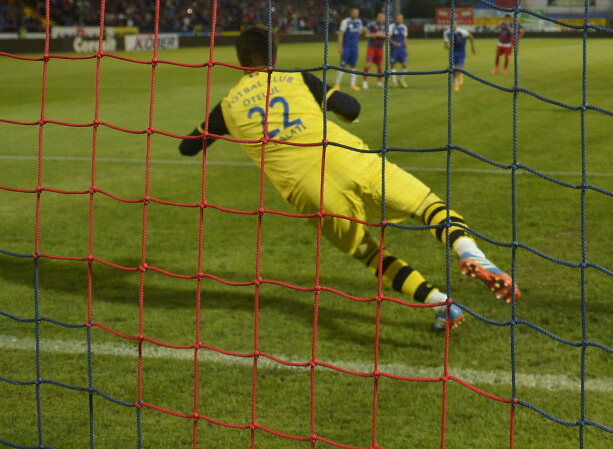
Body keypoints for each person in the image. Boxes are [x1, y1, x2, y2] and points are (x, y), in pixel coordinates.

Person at [177, 25, 518, 332]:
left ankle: (441, 303)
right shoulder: (297, 78)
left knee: (370, 253)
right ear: (275, 55)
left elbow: (188, 148)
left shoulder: (227, 106)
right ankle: (468, 251)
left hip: (307, 190)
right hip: (348, 157)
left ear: (238, 60)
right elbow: (351, 107)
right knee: (429, 207)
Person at [335, 6, 364, 91]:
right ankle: (337, 84)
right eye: (354, 13)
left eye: (357, 13)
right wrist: (340, 47)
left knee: (353, 65)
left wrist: (364, 30)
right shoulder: (345, 22)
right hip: (347, 47)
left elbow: (360, 32)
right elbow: (340, 35)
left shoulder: (359, 22)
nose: (356, 14)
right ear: (351, 13)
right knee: (342, 65)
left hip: (355, 47)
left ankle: (353, 85)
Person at [444, 21, 476, 92]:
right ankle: (456, 84)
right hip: (452, 53)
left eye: (454, 24)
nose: (452, 26)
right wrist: (448, 46)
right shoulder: (447, 33)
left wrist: (472, 47)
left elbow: (471, 37)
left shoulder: (462, 32)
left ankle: (461, 74)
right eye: (451, 24)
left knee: (458, 68)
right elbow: (445, 45)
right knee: (453, 69)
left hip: (461, 53)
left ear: (456, 24)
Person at [362, 11, 388, 89]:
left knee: (380, 66)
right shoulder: (372, 24)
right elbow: (365, 30)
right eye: (380, 17)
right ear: (377, 17)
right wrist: (369, 33)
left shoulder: (386, 25)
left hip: (380, 48)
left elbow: (385, 35)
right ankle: (365, 82)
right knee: (368, 64)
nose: (381, 19)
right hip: (371, 48)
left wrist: (374, 34)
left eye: (382, 17)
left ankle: (379, 82)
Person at [387, 12, 408, 88]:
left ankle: (401, 80)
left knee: (405, 65)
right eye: (398, 18)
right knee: (393, 65)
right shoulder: (392, 26)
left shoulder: (404, 27)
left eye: (401, 19)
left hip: (402, 49)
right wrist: (395, 43)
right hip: (394, 49)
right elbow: (388, 37)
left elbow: (405, 38)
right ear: (395, 19)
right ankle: (394, 82)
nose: (399, 20)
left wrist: (406, 49)